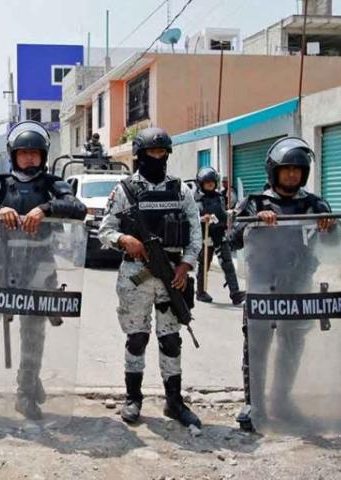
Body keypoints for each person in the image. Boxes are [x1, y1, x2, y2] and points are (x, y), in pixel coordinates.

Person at [0, 120, 86, 423]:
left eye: (34, 154)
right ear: (13, 154)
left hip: (39, 270)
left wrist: (46, 209)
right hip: (1, 268)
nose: (29, 158)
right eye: (23, 153)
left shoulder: (53, 185)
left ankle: (25, 394)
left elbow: (77, 208)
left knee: (33, 334)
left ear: (43, 155)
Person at [226, 137, 334, 432]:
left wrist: (329, 224)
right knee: (257, 346)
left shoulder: (314, 203)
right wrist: (254, 221)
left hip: (298, 284)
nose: (291, 175)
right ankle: (254, 403)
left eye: (297, 170)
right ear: (274, 171)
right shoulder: (255, 202)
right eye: (286, 170)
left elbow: (334, 238)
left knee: (291, 345)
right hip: (262, 283)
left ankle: (282, 401)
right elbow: (232, 238)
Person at [98, 127, 203, 427]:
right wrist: (124, 240)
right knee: (137, 337)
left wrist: (186, 264)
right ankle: (133, 398)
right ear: (140, 156)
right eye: (150, 153)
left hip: (172, 274)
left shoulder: (182, 191)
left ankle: (174, 401)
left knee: (171, 339)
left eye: (161, 153)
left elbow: (195, 236)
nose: (156, 157)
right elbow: (104, 230)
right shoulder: (124, 190)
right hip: (137, 274)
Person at [192, 167, 244, 305]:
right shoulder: (196, 199)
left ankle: (235, 293)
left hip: (219, 233)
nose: (210, 185)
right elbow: (190, 217)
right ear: (201, 183)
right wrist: (202, 219)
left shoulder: (219, 197)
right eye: (207, 182)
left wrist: (229, 213)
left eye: (212, 182)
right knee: (204, 264)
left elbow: (222, 213)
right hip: (205, 235)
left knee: (227, 263)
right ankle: (201, 292)